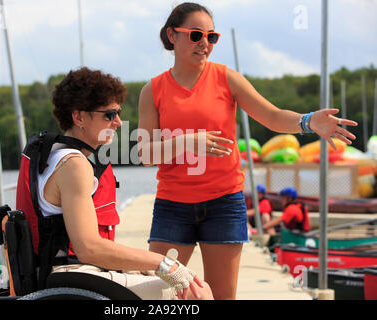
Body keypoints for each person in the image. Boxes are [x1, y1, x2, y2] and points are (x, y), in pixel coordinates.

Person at [137, 2, 357, 300]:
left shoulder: (226, 78)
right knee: (156, 295)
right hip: (172, 206)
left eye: (211, 37)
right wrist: (190, 142)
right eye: (196, 35)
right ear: (172, 35)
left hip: (223, 204)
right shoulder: (153, 90)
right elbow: (146, 154)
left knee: (221, 297)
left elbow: (273, 117)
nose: (205, 43)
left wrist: (308, 122)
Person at [39, 67, 213, 300]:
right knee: (197, 292)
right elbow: (89, 248)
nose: (119, 122)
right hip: (72, 276)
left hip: (65, 271)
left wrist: (144, 265)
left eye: (118, 113)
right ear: (79, 117)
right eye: (109, 115)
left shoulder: (52, 155)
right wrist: (164, 264)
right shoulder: (74, 165)